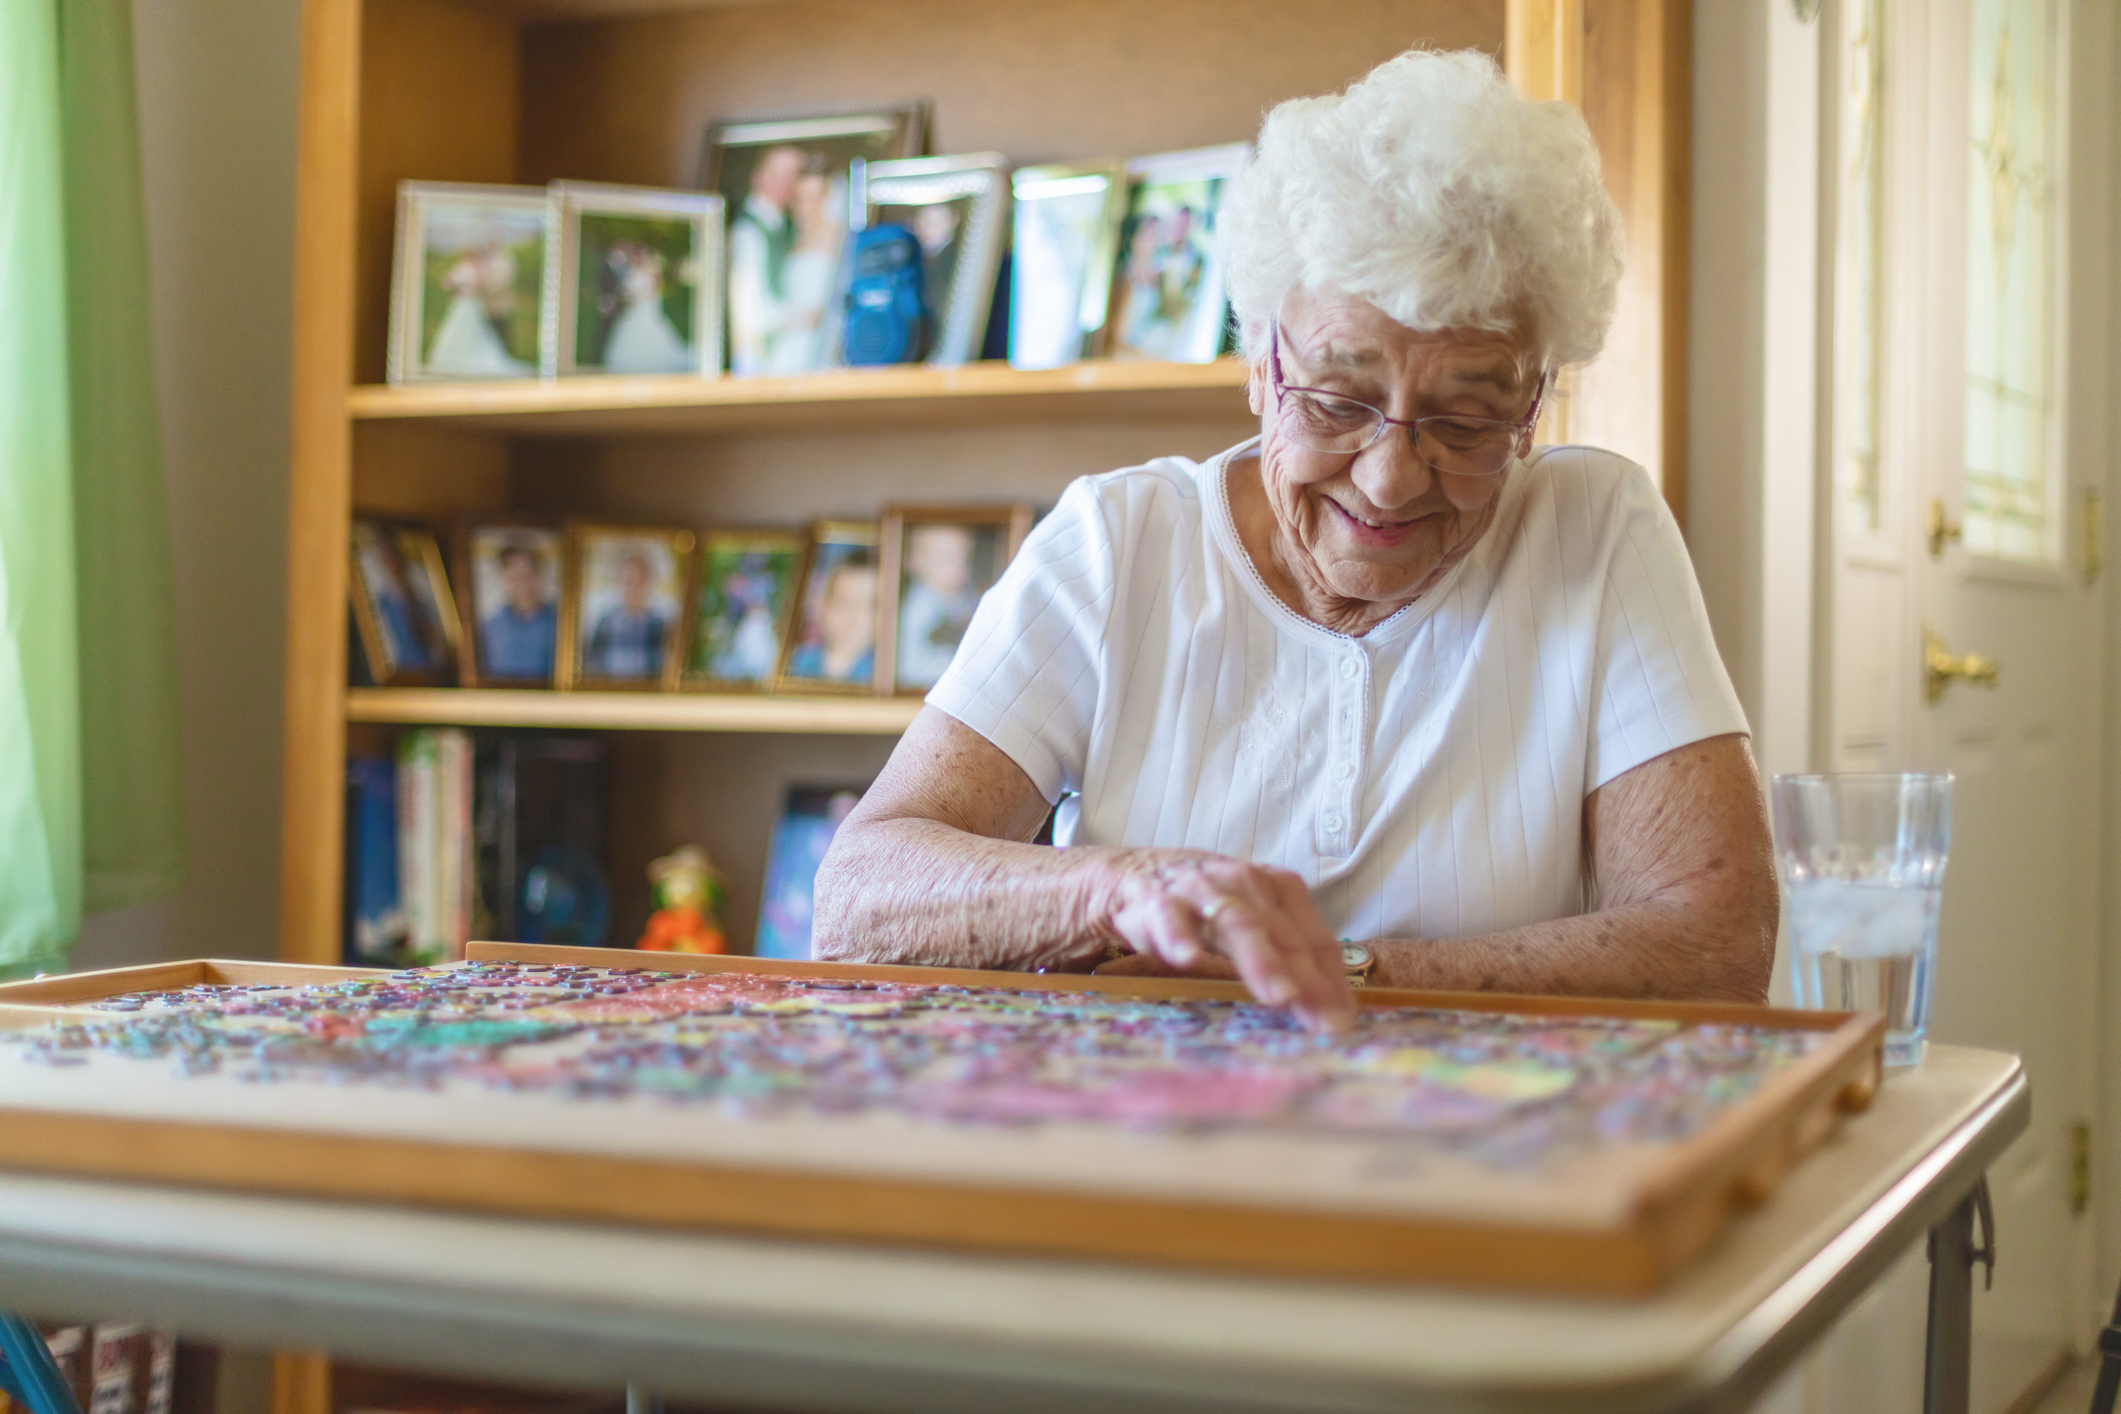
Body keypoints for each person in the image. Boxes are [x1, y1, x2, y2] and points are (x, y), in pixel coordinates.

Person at [814, 49, 1776, 1031]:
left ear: (1533, 409)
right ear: (1260, 365)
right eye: (1339, 399)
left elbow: (1716, 947)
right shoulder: (1120, 541)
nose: (1391, 475)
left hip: (1492, 1152)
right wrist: (1120, 890)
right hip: (1145, 1147)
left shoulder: (1595, 530)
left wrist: (1341, 970)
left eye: (1466, 418)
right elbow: (857, 898)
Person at [728, 145, 806, 375]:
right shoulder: (747, 231)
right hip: (758, 363)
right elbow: (753, 315)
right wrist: (804, 315)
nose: (786, 184)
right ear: (757, 177)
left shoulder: (786, 225)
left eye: (793, 176)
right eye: (777, 174)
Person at [894, 523, 980, 689]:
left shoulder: (962, 593)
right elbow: (909, 665)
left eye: (965, 558)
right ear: (914, 561)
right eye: (945, 559)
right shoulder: (919, 605)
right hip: (925, 685)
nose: (958, 568)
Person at [425, 244, 531, 377]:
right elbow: (449, 282)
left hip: (470, 303)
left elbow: (478, 284)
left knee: (473, 330)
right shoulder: (468, 268)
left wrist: (463, 287)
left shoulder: (475, 269)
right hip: (465, 303)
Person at [599, 241, 693, 374]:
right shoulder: (638, 273)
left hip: (641, 313)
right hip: (637, 313)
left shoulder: (645, 276)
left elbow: (636, 294)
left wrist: (620, 297)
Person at [787, 555, 877, 683]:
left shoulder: (885, 674)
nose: (855, 618)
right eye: (844, 604)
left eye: (868, 607)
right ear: (824, 606)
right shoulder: (795, 664)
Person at [583, 550, 668, 680]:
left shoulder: (659, 627)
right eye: (628, 581)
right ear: (619, 582)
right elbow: (593, 669)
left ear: (647, 582)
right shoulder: (605, 625)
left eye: (639, 580)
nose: (633, 588)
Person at [480, 541, 557, 680]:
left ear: (540, 575)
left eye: (528, 575)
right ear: (504, 578)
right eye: (514, 577)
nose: (522, 584)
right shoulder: (490, 626)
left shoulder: (561, 623)